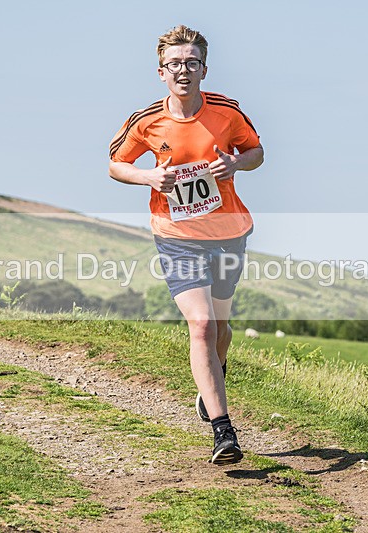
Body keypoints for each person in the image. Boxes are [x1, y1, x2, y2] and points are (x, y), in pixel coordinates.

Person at [108, 25, 264, 465]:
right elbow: (115, 164)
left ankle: (214, 376)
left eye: (191, 63)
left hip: (229, 231)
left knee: (221, 326)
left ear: (204, 69)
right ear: (161, 72)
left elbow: (256, 152)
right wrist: (148, 176)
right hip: (176, 236)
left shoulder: (226, 111)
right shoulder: (146, 121)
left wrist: (237, 163)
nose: (183, 70)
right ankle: (223, 431)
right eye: (175, 63)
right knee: (201, 326)